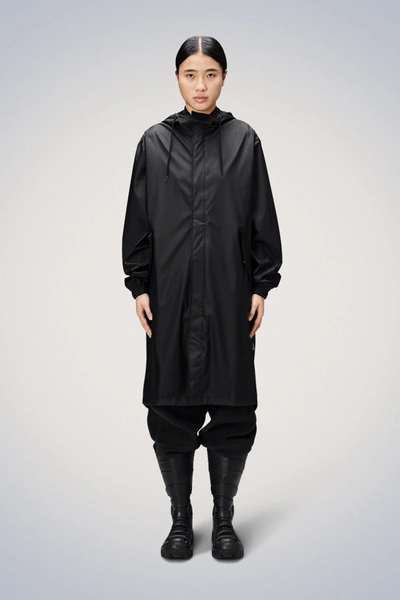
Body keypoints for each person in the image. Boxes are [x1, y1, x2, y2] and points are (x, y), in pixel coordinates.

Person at [122, 35, 283, 560]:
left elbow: (262, 216)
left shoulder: (243, 139)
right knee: (169, 408)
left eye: (210, 74)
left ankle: (223, 520)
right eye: (190, 74)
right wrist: (139, 284)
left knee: (233, 408)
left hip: (229, 294)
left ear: (224, 78)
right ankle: (179, 519)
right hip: (170, 296)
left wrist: (261, 285)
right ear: (176, 78)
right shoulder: (154, 142)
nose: (200, 85)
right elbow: (138, 219)